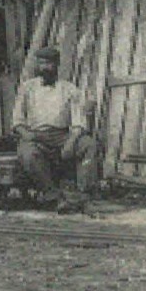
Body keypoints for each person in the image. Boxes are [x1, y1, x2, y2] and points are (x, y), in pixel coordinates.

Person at [14, 47, 99, 213]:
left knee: (89, 145)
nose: (45, 67)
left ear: (57, 65)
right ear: (37, 66)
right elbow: (17, 120)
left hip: (63, 135)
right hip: (36, 135)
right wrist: (26, 135)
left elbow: (78, 122)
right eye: (41, 63)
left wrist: (71, 142)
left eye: (49, 63)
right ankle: (53, 196)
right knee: (27, 154)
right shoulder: (27, 88)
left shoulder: (69, 89)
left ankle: (83, 196)